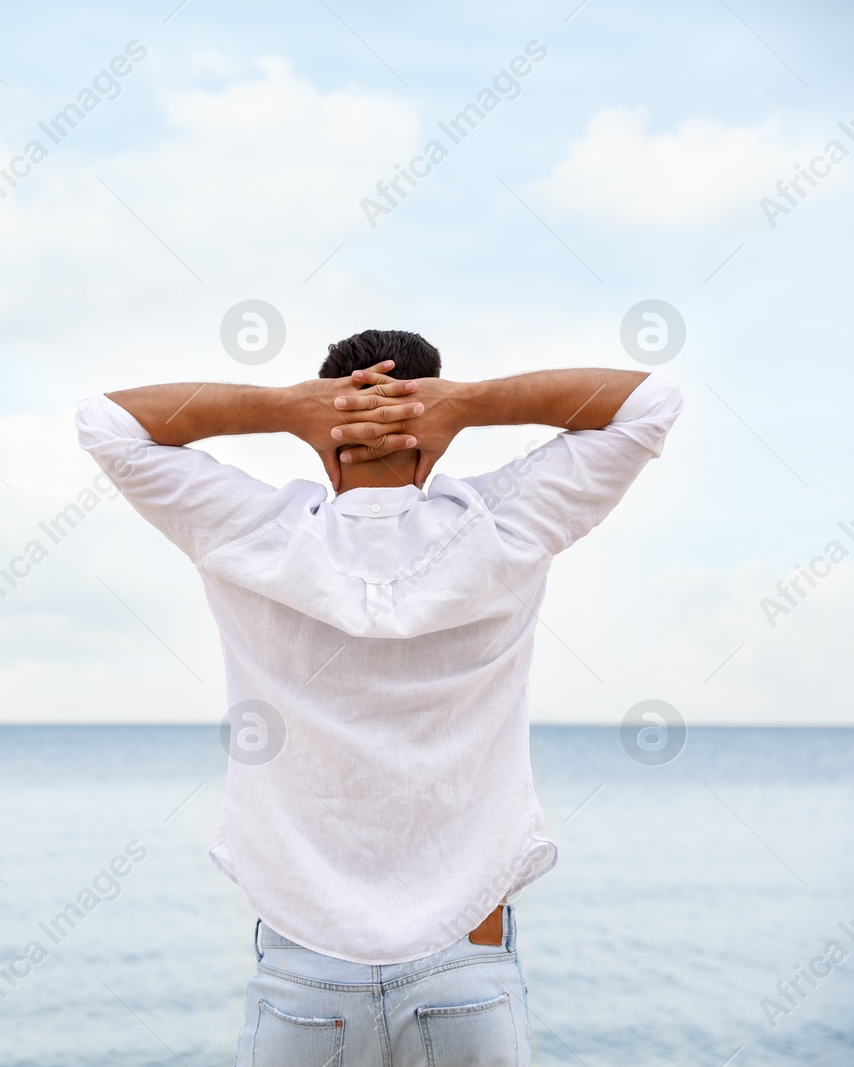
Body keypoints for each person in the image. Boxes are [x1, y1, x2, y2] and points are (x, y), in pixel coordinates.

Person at [75, 329, 682, 1066]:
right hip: (467, 955)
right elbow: (649, 403)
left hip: (304, 963)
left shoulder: (252, 531)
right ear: (433, 438)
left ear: (327, 439)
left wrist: (283, 408)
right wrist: (470, 404)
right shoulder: (506, 523)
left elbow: (107, 423)